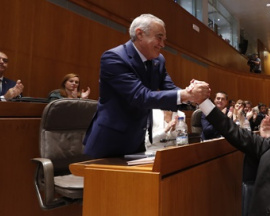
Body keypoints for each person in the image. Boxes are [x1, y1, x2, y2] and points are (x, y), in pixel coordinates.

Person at [83, 14, 210, 158]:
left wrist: (191, 95)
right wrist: (186, 94)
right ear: (140, 34)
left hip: (136, 141)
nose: (162, 44)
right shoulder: (114, 58)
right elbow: (140, 96)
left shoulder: (158, 60)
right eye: (159, 37)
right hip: (109, 143)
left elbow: (170, 89)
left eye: (164, 40)